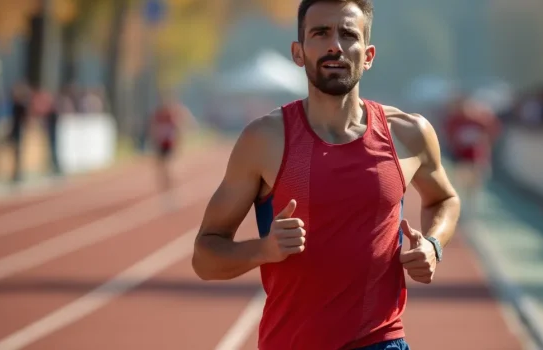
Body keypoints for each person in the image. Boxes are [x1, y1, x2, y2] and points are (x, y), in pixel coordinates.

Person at [191, 1, 461, 349]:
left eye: (348, 34)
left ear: (368, 55)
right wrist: (265, 249)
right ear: (298, 52)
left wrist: (434, 244)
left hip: (381, 341)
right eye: (320, 33)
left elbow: (445, 199)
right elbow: (204, 257)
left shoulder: (408, 133)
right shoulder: (264, 139)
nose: (335, 44)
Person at [443, 96, 500, 219]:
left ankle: (473, 211)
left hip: (477, 158)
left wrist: (485, 145)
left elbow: (493, 131)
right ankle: (461, 210)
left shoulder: (479, 120)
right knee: (461, 185)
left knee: (475, 186)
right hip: (461, 159)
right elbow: (449, 135)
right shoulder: (455, 120)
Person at [149, 93, 194, 192]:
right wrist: (154, 141)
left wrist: (179, 142)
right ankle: (166, 185)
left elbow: (179, 128)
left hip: (169, 143)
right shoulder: (158, 115)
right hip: (160, 143)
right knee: (161, 167)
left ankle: (172, 185)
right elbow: (153, 128)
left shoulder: (172, 115)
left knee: (169, 166)